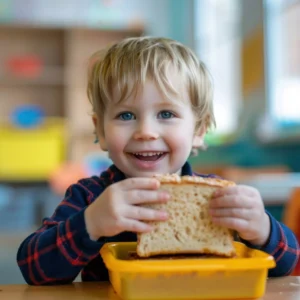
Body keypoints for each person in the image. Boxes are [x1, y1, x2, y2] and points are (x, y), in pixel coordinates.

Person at [17, 37, 299, 285]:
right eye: (126, 115)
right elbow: (33, 268)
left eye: (166, 114)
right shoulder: (89, 196)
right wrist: (90, 223)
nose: (146, 132)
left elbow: (288, 265)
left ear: (199, 130)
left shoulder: (219, 197)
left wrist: (262, 229)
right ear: (100, 131)